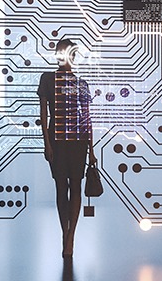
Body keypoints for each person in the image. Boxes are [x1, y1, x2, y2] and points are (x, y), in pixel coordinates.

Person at [38, 38, 97, 258]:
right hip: (58, 141)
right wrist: (47, 143)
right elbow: (43, 114)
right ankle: (66, 234)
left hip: (78, 141)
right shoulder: (47, 79)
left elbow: (87, 118)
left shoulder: (81, 83)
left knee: (76, 186)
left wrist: (91, 150)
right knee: (61, 188)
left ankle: (70, 237)